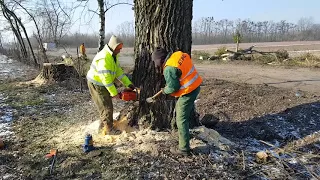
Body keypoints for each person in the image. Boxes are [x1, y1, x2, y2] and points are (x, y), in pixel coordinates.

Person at [152, 47, 202, 156]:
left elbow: (173, 87)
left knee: (181, 118)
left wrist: (165, 90)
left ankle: (184, 149)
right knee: (184, 116)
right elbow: (179, 75)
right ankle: (185, 137)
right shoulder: (177, 55)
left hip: (188, 91)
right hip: (195, 85)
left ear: (159, 61)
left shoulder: (168, 69)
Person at [86, 35, 136, 135]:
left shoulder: (113, 56)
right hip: (97, 83)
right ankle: (108, 129)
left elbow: (118, 72)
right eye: (119, 48)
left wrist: (128, 84)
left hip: (102, 82)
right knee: (106, 106)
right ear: (114, 46)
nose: (120, 51)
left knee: (105, 105)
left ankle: (103, 125)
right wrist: (114, 93)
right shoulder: (104, 58)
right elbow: (106, 80)